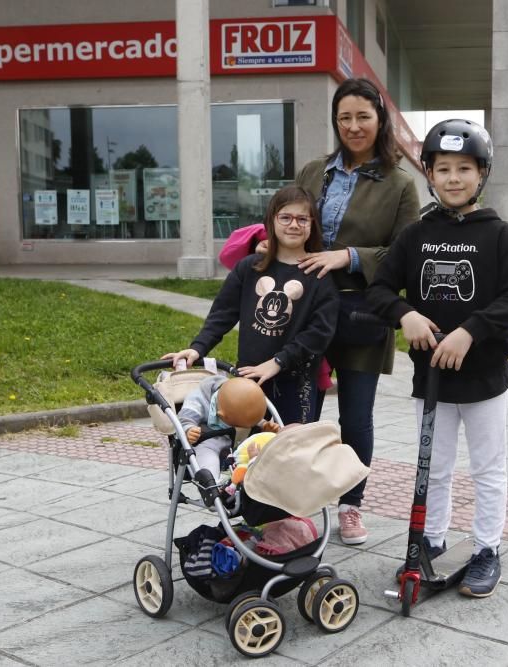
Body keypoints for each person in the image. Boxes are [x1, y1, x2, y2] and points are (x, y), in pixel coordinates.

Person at [366, 119, 508, 598]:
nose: (453, 178)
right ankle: (430, 540)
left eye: (464, 169)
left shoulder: (498, 234)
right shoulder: (417, 235)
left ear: (481, 174)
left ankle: (485, 549)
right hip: (431, 379)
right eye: (443, 169)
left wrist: (470, 331)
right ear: (430, 176)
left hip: (484, 378)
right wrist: (405, 314)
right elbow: (379, 289)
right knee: (432, 468)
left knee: (486, 467)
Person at [293, 77, 420, 545]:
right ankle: (295, 504)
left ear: (380, 119)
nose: (353, 126)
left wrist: (346, 257)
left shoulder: (401, 185)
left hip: (363, 310)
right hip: (305, 309)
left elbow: (405, 255)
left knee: (355, 415)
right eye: (344, 117)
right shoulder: (313, 173)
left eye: (363, 116)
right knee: (296, 408)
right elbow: (292, 223)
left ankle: (350, 504)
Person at [164, 185, 338, 428]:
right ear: (271, 221)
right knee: (247, 451)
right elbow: (223, 313)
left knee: (289, 450)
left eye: (302, 219)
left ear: (312, 225)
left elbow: (319, 333)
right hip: (249, 378)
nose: (294, 225)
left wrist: (277, 362)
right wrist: (197, 348)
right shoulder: (249, 268)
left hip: (297, 383)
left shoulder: (319, 275)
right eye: (285, 217)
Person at [177, 375, 280, 479]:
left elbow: (249, 417)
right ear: (221, 416)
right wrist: (189, 429)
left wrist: (263, 425)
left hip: (240, 439)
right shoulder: (198, 400)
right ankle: (212, 484)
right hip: (208, 440)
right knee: (207, 457)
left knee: (262, 445)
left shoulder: (243, 397)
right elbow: (184, 418)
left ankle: (255, 478)